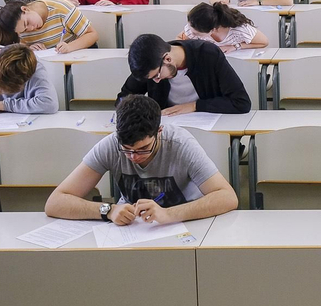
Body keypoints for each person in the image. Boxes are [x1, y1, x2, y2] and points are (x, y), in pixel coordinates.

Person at [45, 93, 238, 222]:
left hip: (184, 221)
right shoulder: (112, 144)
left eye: (143, 149)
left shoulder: (181, 144)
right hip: (133, 227)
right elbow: (55, 203)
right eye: (127, 149)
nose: (133, 157)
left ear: (159, 131)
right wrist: (108, 210)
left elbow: (227, 197)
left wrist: (168, 214)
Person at [119, 33, 252, 114]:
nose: (156, 81)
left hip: (206, 127)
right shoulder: (149, 62)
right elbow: (124, 98)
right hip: (168, 131)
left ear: (167, 59)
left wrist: (195, 106)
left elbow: (241, 102)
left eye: (157, 76)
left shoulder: (208, 54)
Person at [0, 0, 99, 54]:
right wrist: (29, 49)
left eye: (27, 23)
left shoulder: (62, 9)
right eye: (24, 30)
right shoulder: (20, 29)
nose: (30, 29)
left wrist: (69, 47)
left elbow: (92, 34)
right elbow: (21, 45)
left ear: (25, 9)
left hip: (77, 55)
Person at [182, 1, 269, 54]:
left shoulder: (239, 30)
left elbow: (264, 42)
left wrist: (236, 46)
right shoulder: (194, 26)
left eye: (196, 33)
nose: (190, 33)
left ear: (213, 30)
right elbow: (181, 40)